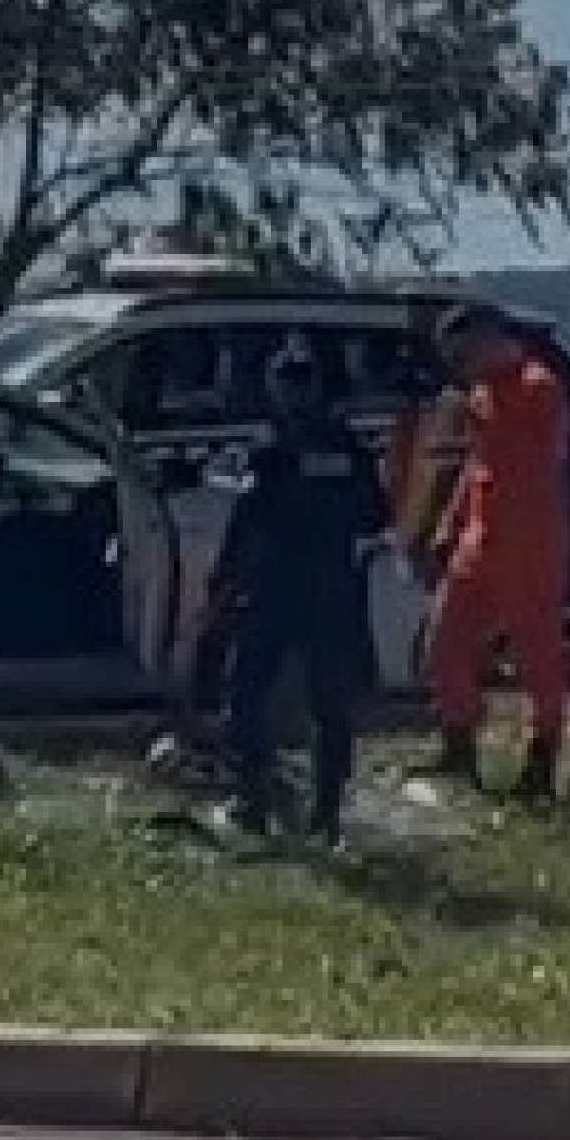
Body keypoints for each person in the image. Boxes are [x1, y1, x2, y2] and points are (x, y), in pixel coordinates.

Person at [214, 334, 387, 844]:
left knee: (247, 693)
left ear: (279, 389)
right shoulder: (351, 451)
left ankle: (252, 802)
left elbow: (247, 522)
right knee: (330, 704)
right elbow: (376, 515)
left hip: (277, 586)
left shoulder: (271, 452)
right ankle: (327, 814)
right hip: (334, 587)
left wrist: (223, 580)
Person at [421, 303, 570, 804]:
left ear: (488, 339)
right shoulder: (481, 393)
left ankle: (542, 757)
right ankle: (459, 742)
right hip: (479, 538)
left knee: (536, 655)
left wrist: (479, 416)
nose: (459, 365)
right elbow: (477, 464)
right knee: (445, 643)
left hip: (529, 541)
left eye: (463, 353)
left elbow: (542, 456)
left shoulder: (538, 387)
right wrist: (450, 522)